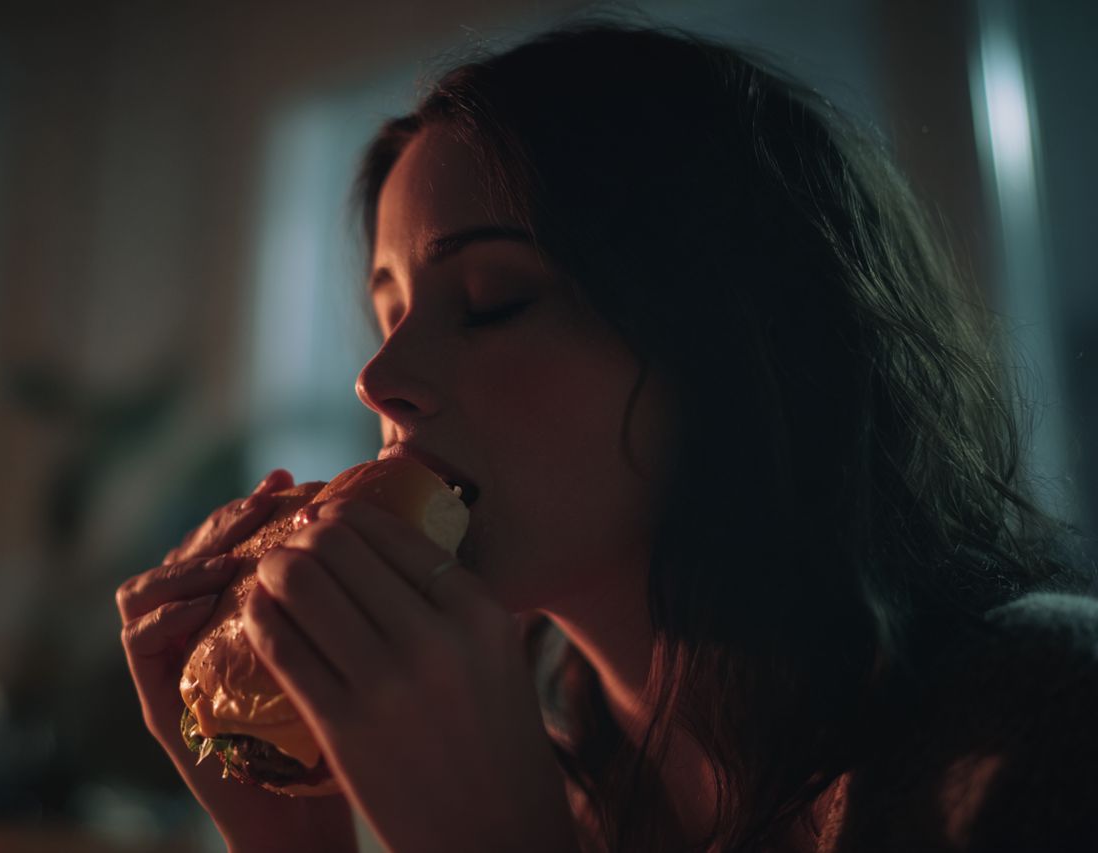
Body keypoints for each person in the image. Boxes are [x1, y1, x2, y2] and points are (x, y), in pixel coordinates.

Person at [117, 22, 1097, 852]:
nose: (377, 380)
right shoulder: (578, 797)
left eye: (492, 302)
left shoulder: (1046, 716)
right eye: (387, 315)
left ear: (729, 339)